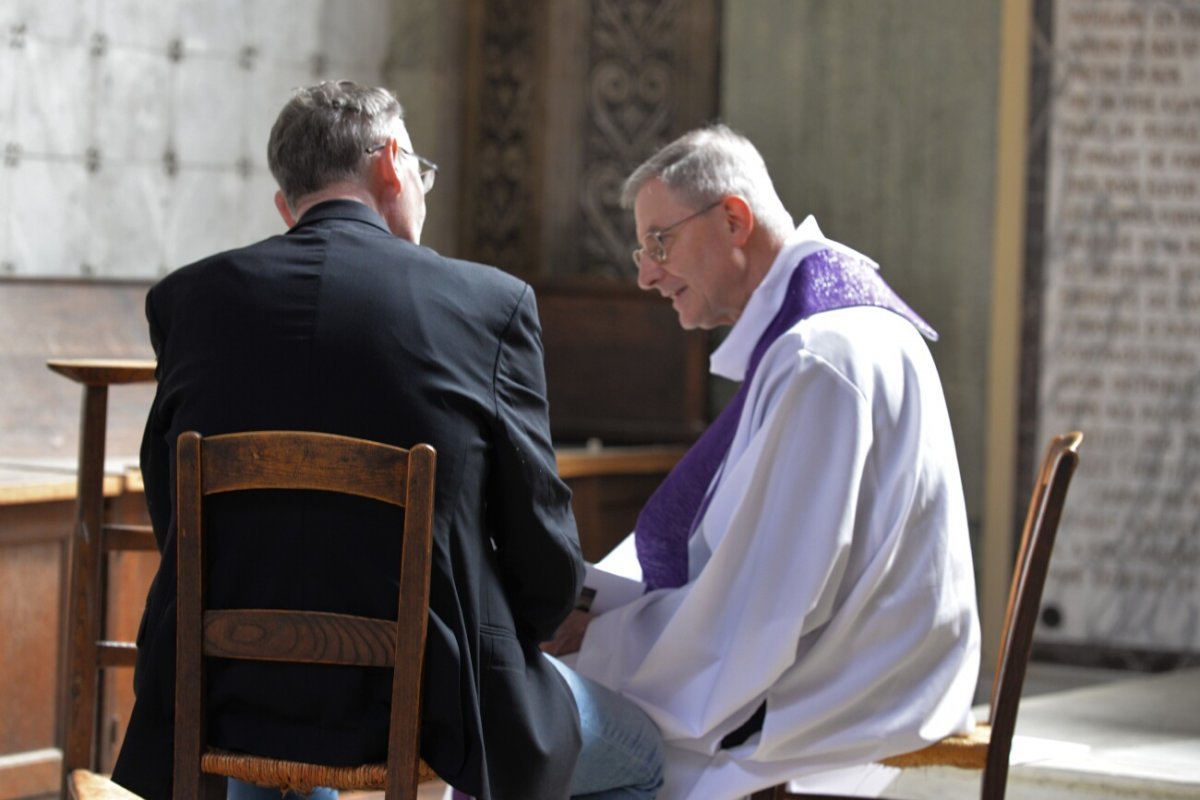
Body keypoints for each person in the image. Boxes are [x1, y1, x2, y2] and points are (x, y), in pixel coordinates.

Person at [111, 80, 662, 800]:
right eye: (421, 174)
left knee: (268, 740)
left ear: (287, 205)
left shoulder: (187, 301)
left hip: (222, 692)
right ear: (393, 164)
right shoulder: (489, 306)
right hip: (436, 704)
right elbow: (542, 555)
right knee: (645, 759)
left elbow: (173, 514)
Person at [544, 124, 981, 799]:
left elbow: (766, 607)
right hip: (861, 654)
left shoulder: (820, 358)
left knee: (564, 741)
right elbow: (746, 558)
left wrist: (601, 641)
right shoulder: (818, 335)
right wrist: (603, 605)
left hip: (850, 687)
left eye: (660, 242)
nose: (645, 273)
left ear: (734, 220)